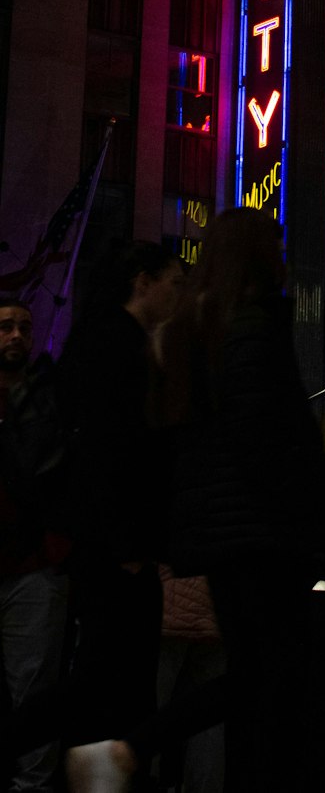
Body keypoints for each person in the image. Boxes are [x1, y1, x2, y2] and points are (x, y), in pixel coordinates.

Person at [151, 208, 325, 793]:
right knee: (273, 678)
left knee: (255, 677)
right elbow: (268, 441)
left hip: (225, 535)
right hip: (263, 533)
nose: (284, 255)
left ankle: (137, 745)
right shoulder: (252, 329)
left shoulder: (197, 330)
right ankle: (134, 745)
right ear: (259, 254)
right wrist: (317, 523)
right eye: (276, 244)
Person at [57, 242, 184, 787]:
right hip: (120, 549)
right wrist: (128, 543)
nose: (179, 294)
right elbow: (116, 452)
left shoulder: (99, 340)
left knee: (105, 677)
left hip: (107, 543)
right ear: (143, 282)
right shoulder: (120, 348)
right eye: (173, 282)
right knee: (117, 680)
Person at [0, 299, 70, 792]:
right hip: (27, 559)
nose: (17, 336)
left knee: (32, 685)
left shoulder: (44, 401)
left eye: (24, 327)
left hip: (31, 564)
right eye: (6, 327)